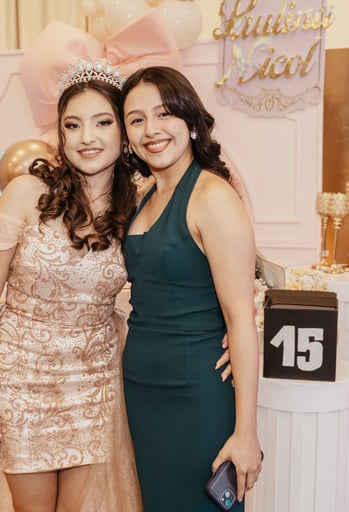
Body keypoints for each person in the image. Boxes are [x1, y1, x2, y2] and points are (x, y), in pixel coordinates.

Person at [0, 72, 142, 512]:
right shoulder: (26, 193)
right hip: (20, 380)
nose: (87, 137)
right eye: (72, 124)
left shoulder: (139, 203)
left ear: (124, 130)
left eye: (102, 122)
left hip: (93, 383)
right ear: (60, 133)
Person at [120, 65, 263, 511]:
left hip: (197, 394)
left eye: (164, 114)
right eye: (137, 119)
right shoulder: (146, 194)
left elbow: (240, 319)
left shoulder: (212, 196)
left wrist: (246, 432)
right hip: (142, 390)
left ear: (190, 120)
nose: (151, 129)